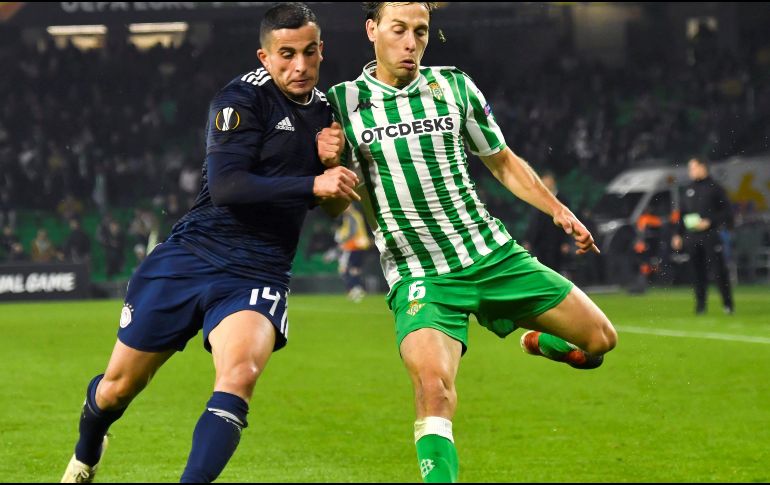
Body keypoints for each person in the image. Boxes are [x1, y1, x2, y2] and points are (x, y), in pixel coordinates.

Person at [61, 3, 357, 483]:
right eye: (285, 55)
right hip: (192, 257)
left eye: (308, 53)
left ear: (322, 50)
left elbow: (333, 205)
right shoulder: (240, 99)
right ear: (264, 56)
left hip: (259, 272)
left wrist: (329, 171)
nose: (298, 66)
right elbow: (228, 187)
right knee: (116, 390)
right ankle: (87, 451)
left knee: (239, 377)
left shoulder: (327, 113)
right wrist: (312, 184)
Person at [324, 3, 617, 482]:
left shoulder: (454, 85)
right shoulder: (341, 103)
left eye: (420, 31)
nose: (411, 42)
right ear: (372, 29)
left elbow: (501, 161)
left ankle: (539, 342)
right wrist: (333, 171)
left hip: (490, 254)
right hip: (422, 275)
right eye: (399, 30)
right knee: (433, 392)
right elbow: (337, 206)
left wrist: (558, 210)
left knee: (600, 341)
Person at [671, 157, 734, 314]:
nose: (690, 171)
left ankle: (728, 304)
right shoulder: (688, 189)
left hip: (710, 235)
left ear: (703, 167)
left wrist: (710, 222)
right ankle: (700, 306)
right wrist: (678, 234)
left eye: (693, 168)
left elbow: (727, 212)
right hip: (692, 236)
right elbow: (683, 214)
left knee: (719, 271)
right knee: (697, 271)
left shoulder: (715, 188)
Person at [522, 171, 572, 274]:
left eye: (546, 181)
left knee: (555, 269)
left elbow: (569, 221)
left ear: (553, 182)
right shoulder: (538, 198)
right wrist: (528, 240)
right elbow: (534, 222)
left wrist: (566, 241)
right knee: (542, 269)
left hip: (556, 241)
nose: (544, 184)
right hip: (540, 242)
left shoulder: (563, 200)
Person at [334, 203, 372, 302]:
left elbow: (352, 231)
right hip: (362, 244)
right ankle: (358, 288)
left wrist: (343, 240)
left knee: (344, 268)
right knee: (356, 269)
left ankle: (353, 289)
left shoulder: (350, 216)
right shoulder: (357, 215)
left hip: (353, 245)